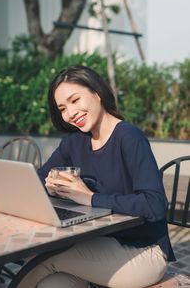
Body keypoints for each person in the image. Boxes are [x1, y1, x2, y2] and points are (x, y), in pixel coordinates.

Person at [19, 65, 175, 288]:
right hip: (96, 246)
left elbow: (155, 204)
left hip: (143, 253)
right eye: (62, 108)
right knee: (52, 285)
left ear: (97, 93)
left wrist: (90, 197)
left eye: (75, 100)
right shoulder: (75, 142)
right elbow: (39, 178)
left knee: (39, 258)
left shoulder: (129, 137)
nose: (70, 113)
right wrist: (51, 185)